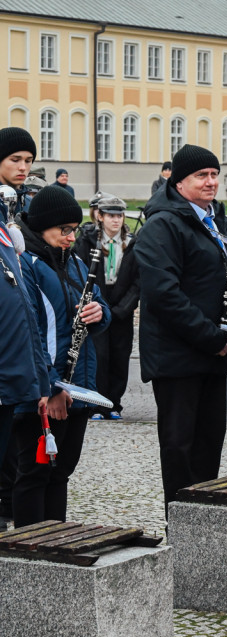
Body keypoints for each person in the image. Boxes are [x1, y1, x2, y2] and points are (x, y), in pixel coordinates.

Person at [134, 144, 227, 510]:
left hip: (215, 354)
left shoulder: (220, 221)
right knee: (180, 448)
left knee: (210, 442)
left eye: (214, 174)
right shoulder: (162, 224)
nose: (211, 182)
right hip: (179, 356)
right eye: (202, 175)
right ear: (179, 183)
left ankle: (203, 526)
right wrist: (210, 336)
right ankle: (180, 525)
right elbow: (163, 293)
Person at [11, 186, 109, 527]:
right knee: (35, 472)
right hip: (44, 388)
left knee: (62, 471)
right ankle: (28, 552)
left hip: (79, 385)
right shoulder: (27, 264)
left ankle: (57, 548)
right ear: (41, 228)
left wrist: (100, 313)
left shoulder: (80, 264)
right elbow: (28, 331)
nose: (70, 237)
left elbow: (98, 305)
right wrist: (51, 387)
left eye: (74, 230)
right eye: (62, 230)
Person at [0, 126, 40, 526]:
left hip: (12, 367)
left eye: (28, 160)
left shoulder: (10, 215)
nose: (23, 167)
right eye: (15, 159)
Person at [75, 195, 139, 421]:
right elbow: (81, 275)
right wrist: (96, 304)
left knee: (120, 357)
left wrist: (124, 308)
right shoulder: (88, 240)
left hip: (122, 308)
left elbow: (137, 280)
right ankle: (96, 405)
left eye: (120, 215)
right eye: (111, 215)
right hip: (97, 306)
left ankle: (114, 404)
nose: (116, 220)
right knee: (99, 357)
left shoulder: (131, 242)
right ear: (100, 216)